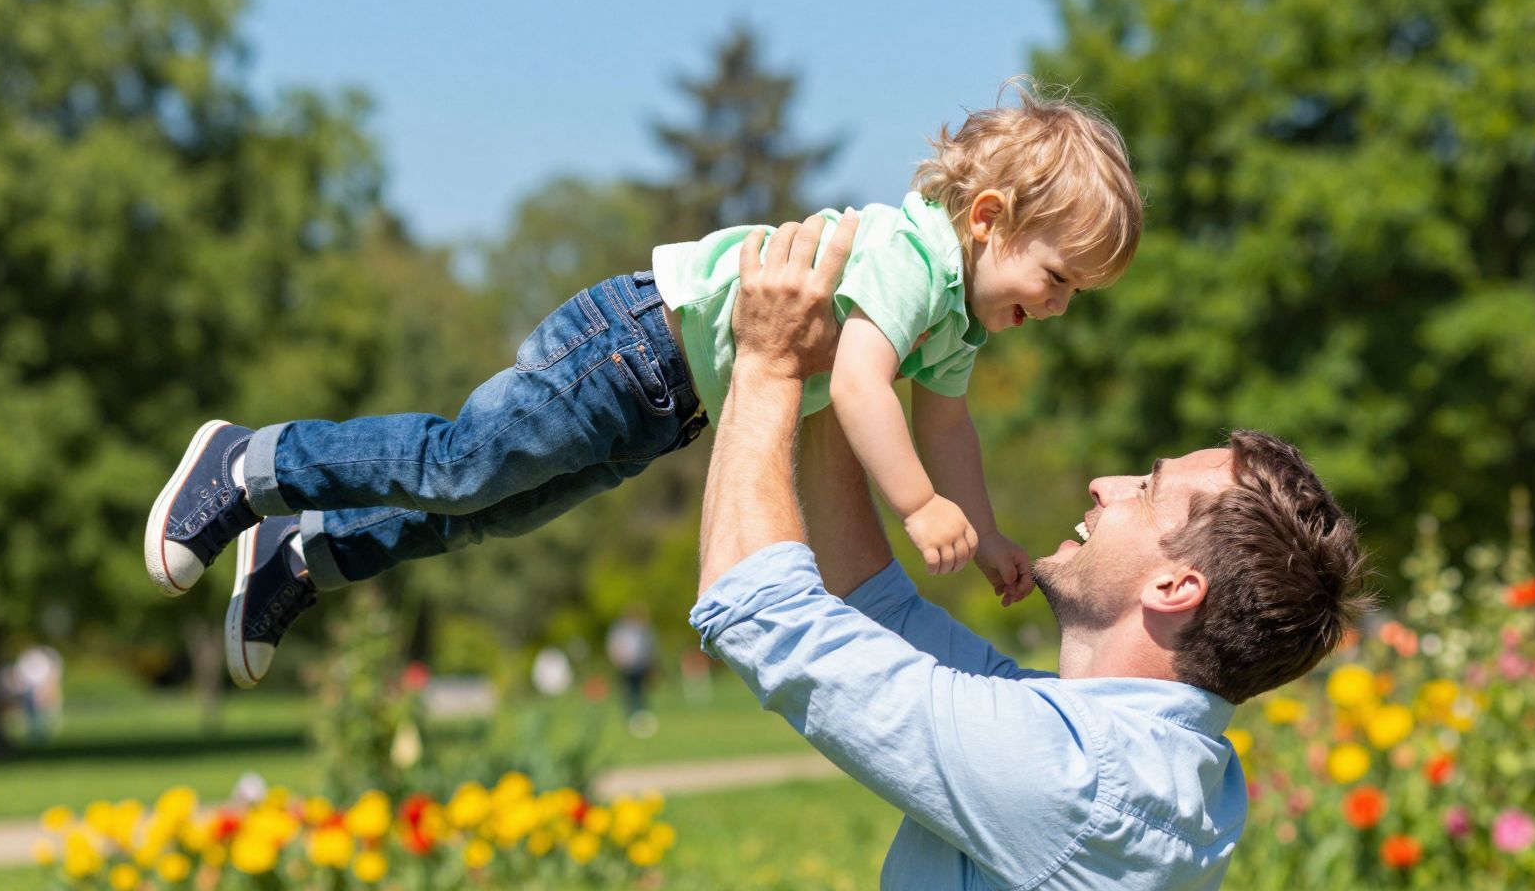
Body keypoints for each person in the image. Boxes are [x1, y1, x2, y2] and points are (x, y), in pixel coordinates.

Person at [693, 214, 1369, 891]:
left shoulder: (1074, 781)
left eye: (1147, 489)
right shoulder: (1148, 759)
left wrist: (768, 365)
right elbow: (872, 610)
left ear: (1175, 585)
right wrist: (842, 376)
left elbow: (758, 608)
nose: (1105, 484)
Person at [142, 84, 1142, 689]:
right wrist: (916, 505)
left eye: (1075, 295)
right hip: (630, 346)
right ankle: (254, 460)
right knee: (459, 464)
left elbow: (948, 422)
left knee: (492, 511)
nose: (1056, 307)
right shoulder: (909, 256)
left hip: (672, 404)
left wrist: (987, 529)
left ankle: (308, 553)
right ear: (988, 218)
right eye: (1056, 279)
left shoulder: (957, 318)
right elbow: (864, 385)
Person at [605, 606, 659, 737]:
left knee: (641, 692)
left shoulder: (644, 630)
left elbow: (650, 648)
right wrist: (619, 660)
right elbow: (614, 646)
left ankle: (641, 716)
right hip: (625, 666)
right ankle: (631, 716)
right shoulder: (620, 630)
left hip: (641, 666)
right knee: (629, 693)